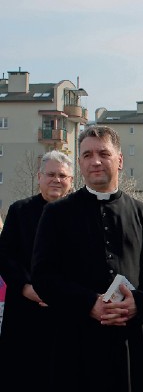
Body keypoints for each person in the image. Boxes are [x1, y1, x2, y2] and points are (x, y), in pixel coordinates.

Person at [31, 125, 143, 392]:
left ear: (119, 160)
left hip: (131, 337)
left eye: (103, 153)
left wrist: (138, 303)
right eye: (87, 155)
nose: (95, 161)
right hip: (76, 337)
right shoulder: (56, 214)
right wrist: (89, 303)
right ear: (79, 164)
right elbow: (43, 275)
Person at [0, 150, 74, 390]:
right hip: (25, 312)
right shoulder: (19, 210)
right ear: (39, 177)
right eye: (50, 174)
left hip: (67, 312)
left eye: (62, 175)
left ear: (71, 180)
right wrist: (27, 288)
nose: (56, 180)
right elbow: (5, 256)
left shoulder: (80, 214)